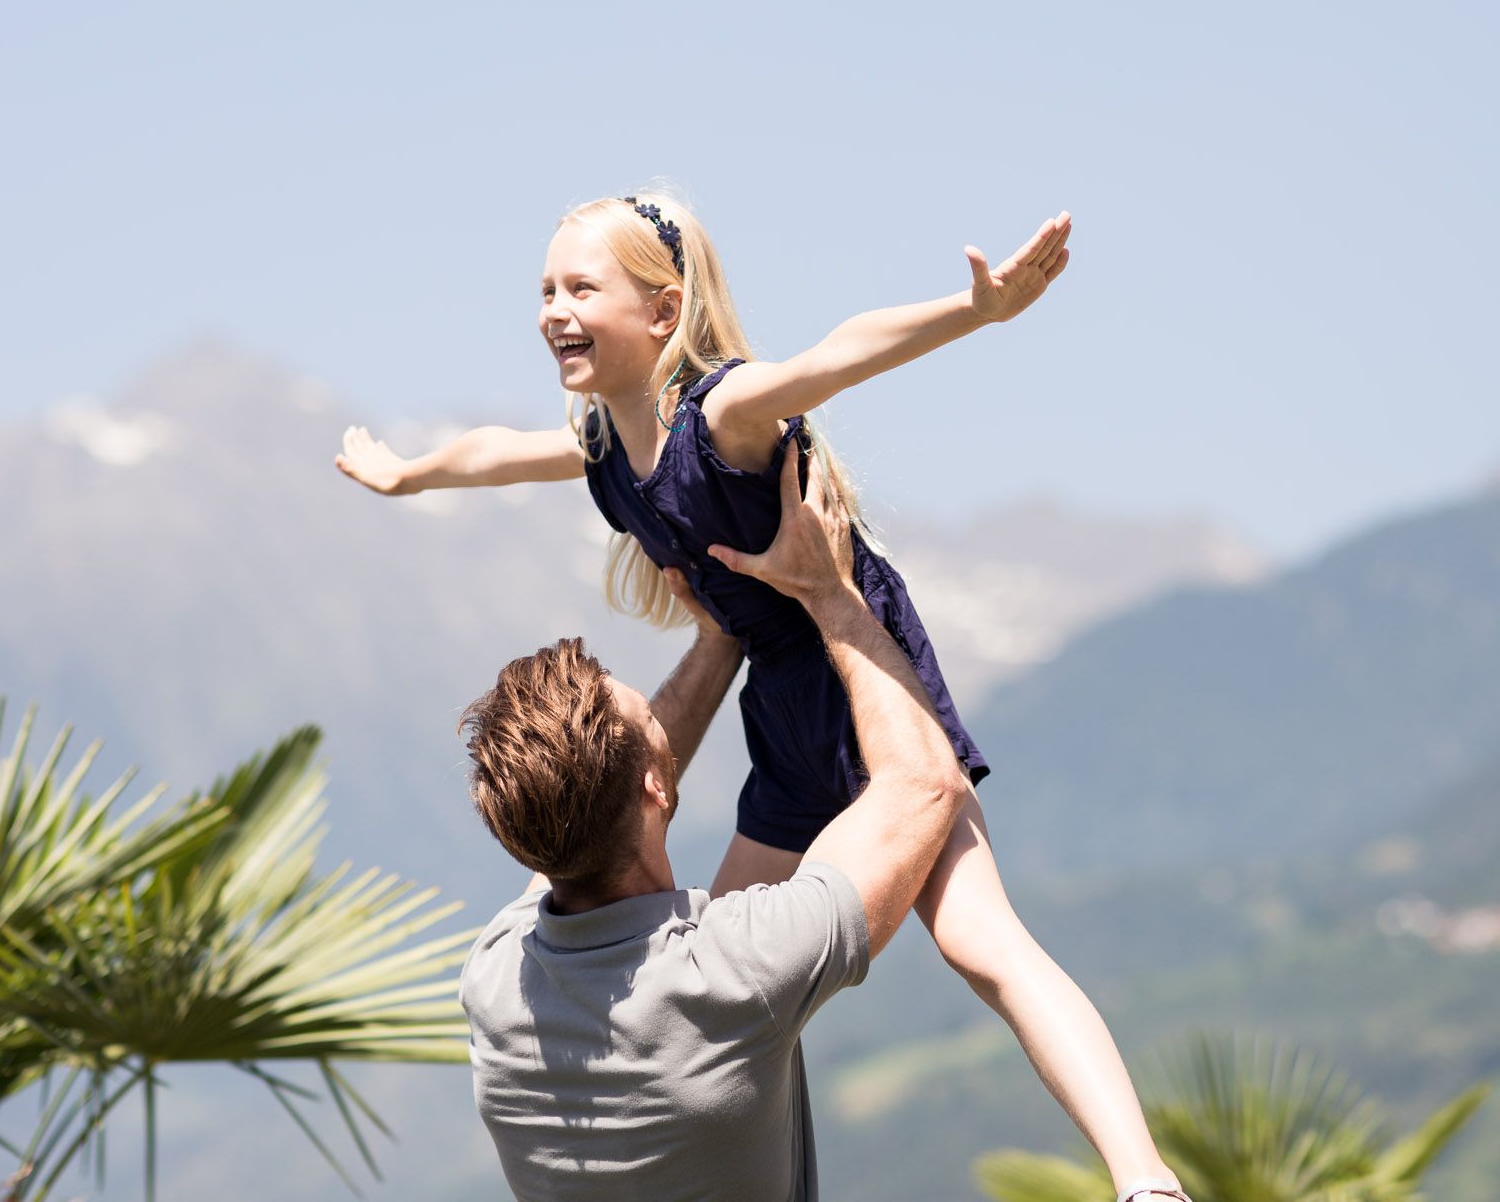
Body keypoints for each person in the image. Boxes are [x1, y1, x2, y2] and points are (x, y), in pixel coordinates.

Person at [343, 190, 1186, 1200]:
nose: (553, 309)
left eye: (580, 287)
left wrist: (979, 312)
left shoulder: (719, 418)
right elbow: (494, 452)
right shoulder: (608, 450)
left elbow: (836, 354)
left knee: (981, 943)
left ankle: (1145, 1180)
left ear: (663, 313)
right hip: (781, 705)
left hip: (864, 676)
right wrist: (411, 477)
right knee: (712, 957)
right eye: (544, 289)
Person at [457, 438, 970, 1199]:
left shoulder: (500, 976)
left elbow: (583, 799)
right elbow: (929, 782)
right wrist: (830, 594)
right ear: (657, 788)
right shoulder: (734, 972)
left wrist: (719, 639)